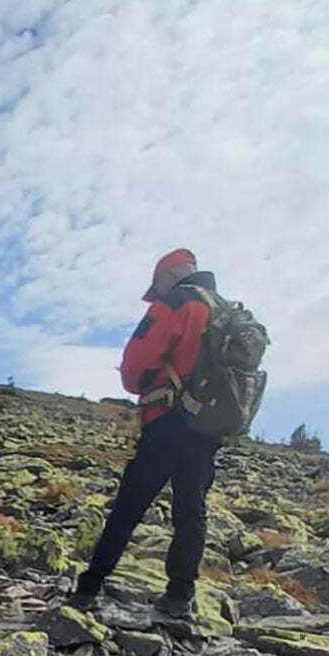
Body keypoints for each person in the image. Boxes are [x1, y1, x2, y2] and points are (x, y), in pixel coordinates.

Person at [69, 248, 225, 620]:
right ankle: (180, 596)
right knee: (191, 510)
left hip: (168, 420)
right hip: (209, 427)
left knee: (129, 505)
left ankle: (88, 589)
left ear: (167, 277)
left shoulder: (176, 303)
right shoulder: (224, 311)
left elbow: (135, 365)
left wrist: (145, 383)